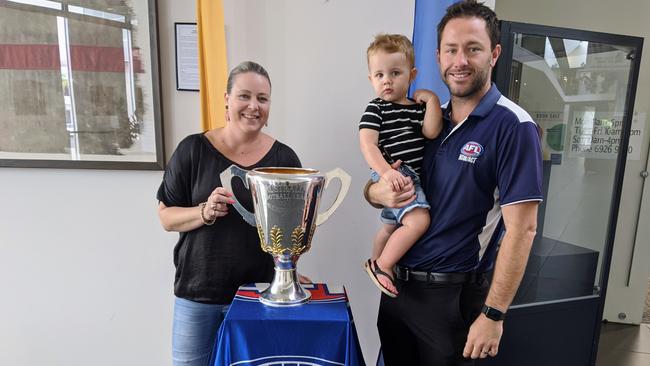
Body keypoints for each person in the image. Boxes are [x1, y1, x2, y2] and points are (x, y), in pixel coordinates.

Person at [365, 1, 543, 365]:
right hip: (399, 290)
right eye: (451, 50)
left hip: (454, 301)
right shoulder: (427, 119)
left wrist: (494, 315)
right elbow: (386, 180)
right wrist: (375, 192)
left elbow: (522, 231)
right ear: (438, 57)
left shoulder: (514, 126)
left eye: (473, 49)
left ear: (494, 54)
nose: (460, 60)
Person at [157, 61, 302, 366]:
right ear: (226, 98)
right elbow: (166, 218)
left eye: (262, 99)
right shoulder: (192, 150)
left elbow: (293, 229)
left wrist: (288, 273)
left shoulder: (284, 158)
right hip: (197, 297)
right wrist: (204, 211)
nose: (253, 106)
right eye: (244, 96)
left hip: (258, 298)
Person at [359, 34, 442, 297]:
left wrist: (432, 101)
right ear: (371, 79)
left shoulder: (418, 109)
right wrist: (386, 173)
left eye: (395, 73)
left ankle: (376, 264)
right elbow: (368, 145)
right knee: (418, 222)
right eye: (380, 75)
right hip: (395, 173)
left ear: (412, 75)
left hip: (407, 175)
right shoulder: (376, 108)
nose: (387, 80)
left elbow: (431, 132)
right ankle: (383, 265)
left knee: (389, 227)